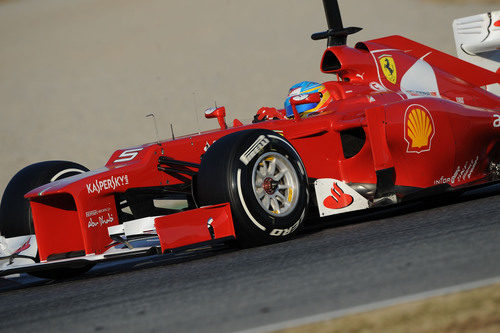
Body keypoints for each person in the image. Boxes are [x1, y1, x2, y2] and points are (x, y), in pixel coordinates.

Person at [254, 81, 332, 122]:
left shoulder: (331, 119)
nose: (294, 114)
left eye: (301, 105)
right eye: (291, 107)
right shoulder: (293, 119)